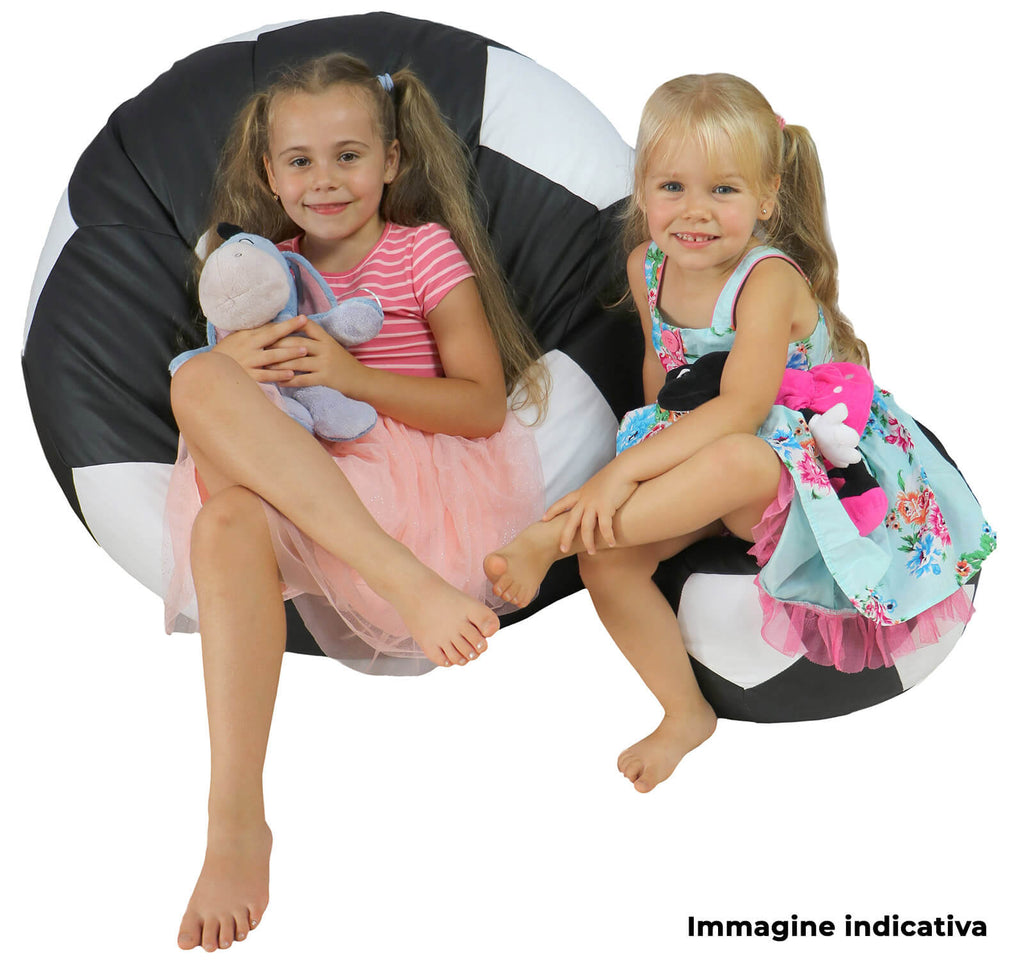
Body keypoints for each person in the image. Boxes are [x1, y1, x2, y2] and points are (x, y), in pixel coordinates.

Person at [485, 73, 994, 794]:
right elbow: (662, 373)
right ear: (642, 189)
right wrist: (645, 460)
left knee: (736, 458)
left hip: (807, 458)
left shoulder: (768, 281)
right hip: (709, 445)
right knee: (608, 564)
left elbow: (741, 408)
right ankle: (683, 711)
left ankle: (550, 539)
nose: (694, 211)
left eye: (722, 190)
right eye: (671, 187)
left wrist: (617, 478)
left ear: (766, 197)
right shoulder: (646, 265)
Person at [165, 53, 547, 951]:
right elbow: (230, 407)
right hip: (294, 476)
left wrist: (352, 377)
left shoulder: (421, 251)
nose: (325, 180)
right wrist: (234, 364)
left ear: (391, 161)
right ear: (270, 175)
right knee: (199, 389)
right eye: (300, 161)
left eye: (349, 155)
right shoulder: (262, 269)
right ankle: (235, 816)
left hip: (403, 488)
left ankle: (403, 581)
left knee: (226, 515)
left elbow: (481, 404)